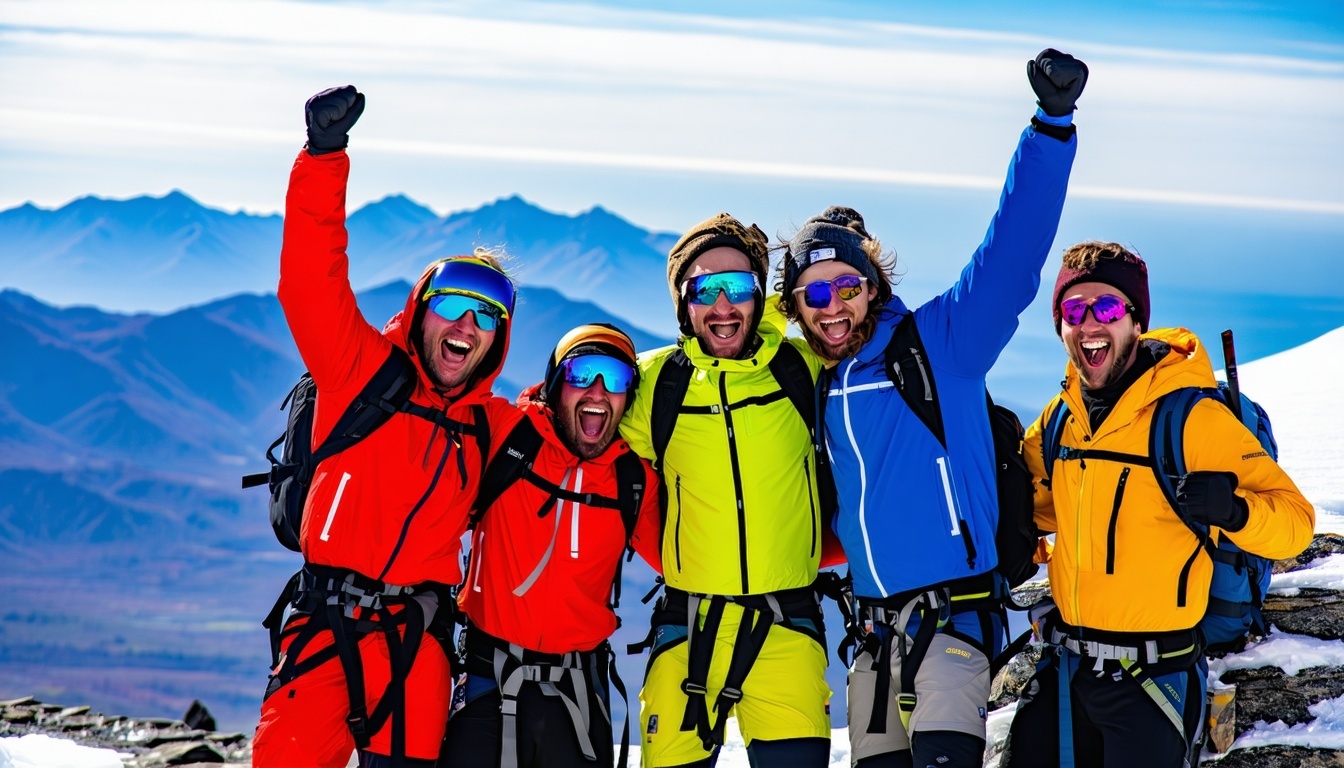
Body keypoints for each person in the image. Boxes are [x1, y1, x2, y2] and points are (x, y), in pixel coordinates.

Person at [775, 49, 1087, 768]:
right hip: (873, 640)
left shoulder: (939, 345)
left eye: (847, 285)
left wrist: (1050, 126)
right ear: (794, 306)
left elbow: (1010, 254)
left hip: (955, 625)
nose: (833, 307)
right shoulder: (811, 382)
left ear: (873, 284)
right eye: (813, 295)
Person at [253, 85, 517, 768]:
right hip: (324, 626)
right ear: (422, 308)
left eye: (486, 316)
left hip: (415, 642)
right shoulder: (359, 371)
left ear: (498, 340)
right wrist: (323, 157)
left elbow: (585, 428)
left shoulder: (492, 425)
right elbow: (310, 278)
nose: (466, 325)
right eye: (454, 304)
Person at [1004, 242, 1315, 767]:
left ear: (1135, 320)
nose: (1088, 324)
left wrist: (1235, 512)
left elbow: (1295, 525)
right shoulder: (1061, 418)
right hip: (1066, 671)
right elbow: (1037, 508)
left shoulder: (1189, 419)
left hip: (1154, 682)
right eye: (1073, 311)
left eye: (1106, 308)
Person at [619, 214, 836, 767]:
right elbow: (579, 424)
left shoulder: (802, 370)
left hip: (786, 623)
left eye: (738, 288)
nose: (722, 305)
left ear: (759, 297)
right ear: (682, 304)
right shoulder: (654, 385)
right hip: (688, 628)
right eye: (704, 289)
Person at [442, 323, 662, 768]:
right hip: (489, 678)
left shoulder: (634, 479)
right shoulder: (508, 435)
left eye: (616, 379)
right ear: (556, 383)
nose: (598, 393)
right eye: (583, 374)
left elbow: (686, 562)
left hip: (577, 692)